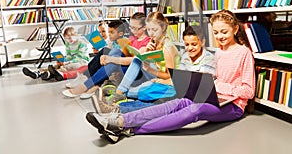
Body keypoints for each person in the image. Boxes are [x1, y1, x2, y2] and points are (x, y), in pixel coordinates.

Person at [86, 9, 256, 143]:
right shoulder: (219, 51)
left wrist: (219, 85)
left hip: (233, 106)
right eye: (216, 33)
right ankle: (119, 120)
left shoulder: (244, 53)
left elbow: (248, 91)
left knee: (194, 109)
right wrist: (207, 82)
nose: (220, 37)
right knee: (179, 102)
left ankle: (128, 129)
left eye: (224, 32)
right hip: (215, 96)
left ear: (235, 29)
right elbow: (217, 77)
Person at [91, 25, 216, 114]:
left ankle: (117, 98)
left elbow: (200, 82)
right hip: (174, 87)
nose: (190, 48)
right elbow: (180, 76)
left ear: (203, 42)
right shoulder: (186, 57)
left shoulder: (208, 59)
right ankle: (118, 97)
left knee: (148, 94)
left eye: (194, 44)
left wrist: (168, 81)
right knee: (148, 89)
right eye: (187, 44)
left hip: (184, 93)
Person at [62, 14, 151, 97]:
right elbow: (122, 53)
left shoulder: (148, 42)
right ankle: (93, 83)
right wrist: (106, 57)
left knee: (113, 58)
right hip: (124, 68)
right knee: (111, 51)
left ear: (144, 27)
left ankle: (87, 84)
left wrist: (110, 58)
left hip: (136, 74)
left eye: (135, 28)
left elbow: (134, 61)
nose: (132, 31)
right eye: (131, 27)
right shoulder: (132, 38)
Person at [101, 11, 180, 104]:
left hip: (168, 83)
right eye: (149, 30)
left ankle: (120, 91)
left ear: (163, 28)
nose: (151, 33)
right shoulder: (154, 42)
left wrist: (150, 70)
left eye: (155, 30)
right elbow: (155, 64)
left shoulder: (168, 48)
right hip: (156, 77)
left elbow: (170, 76)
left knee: (139, 92)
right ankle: (120, 91)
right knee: (139, 56)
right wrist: (147, 52)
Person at [22, 26, 90, 81]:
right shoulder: (68, 44)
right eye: (66, 39)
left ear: (76, 35)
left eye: (70, 38)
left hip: (82, 62)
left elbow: (80, 57)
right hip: (70, 62)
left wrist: (67, 62)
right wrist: (63, 61)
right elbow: (68, 55)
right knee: (56, 66)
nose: (68, 40)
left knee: (67, 67)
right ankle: (38, 73)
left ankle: (52, 73)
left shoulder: (82, 43)